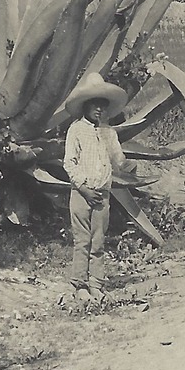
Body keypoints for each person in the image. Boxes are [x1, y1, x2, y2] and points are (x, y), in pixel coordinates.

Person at [62, 72, 130, 301]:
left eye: (103, 105)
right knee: (82, 239)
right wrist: (83, 188)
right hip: (82, 193)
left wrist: (127, 166)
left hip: (102, 194)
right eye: (94, 105)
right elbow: (69, 163)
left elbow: (118, 160)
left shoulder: (109, 133)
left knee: (99, 240)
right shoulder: (76, 130)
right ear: (85, 106)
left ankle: (96, 284)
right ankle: (79, 284)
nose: (99, 110)